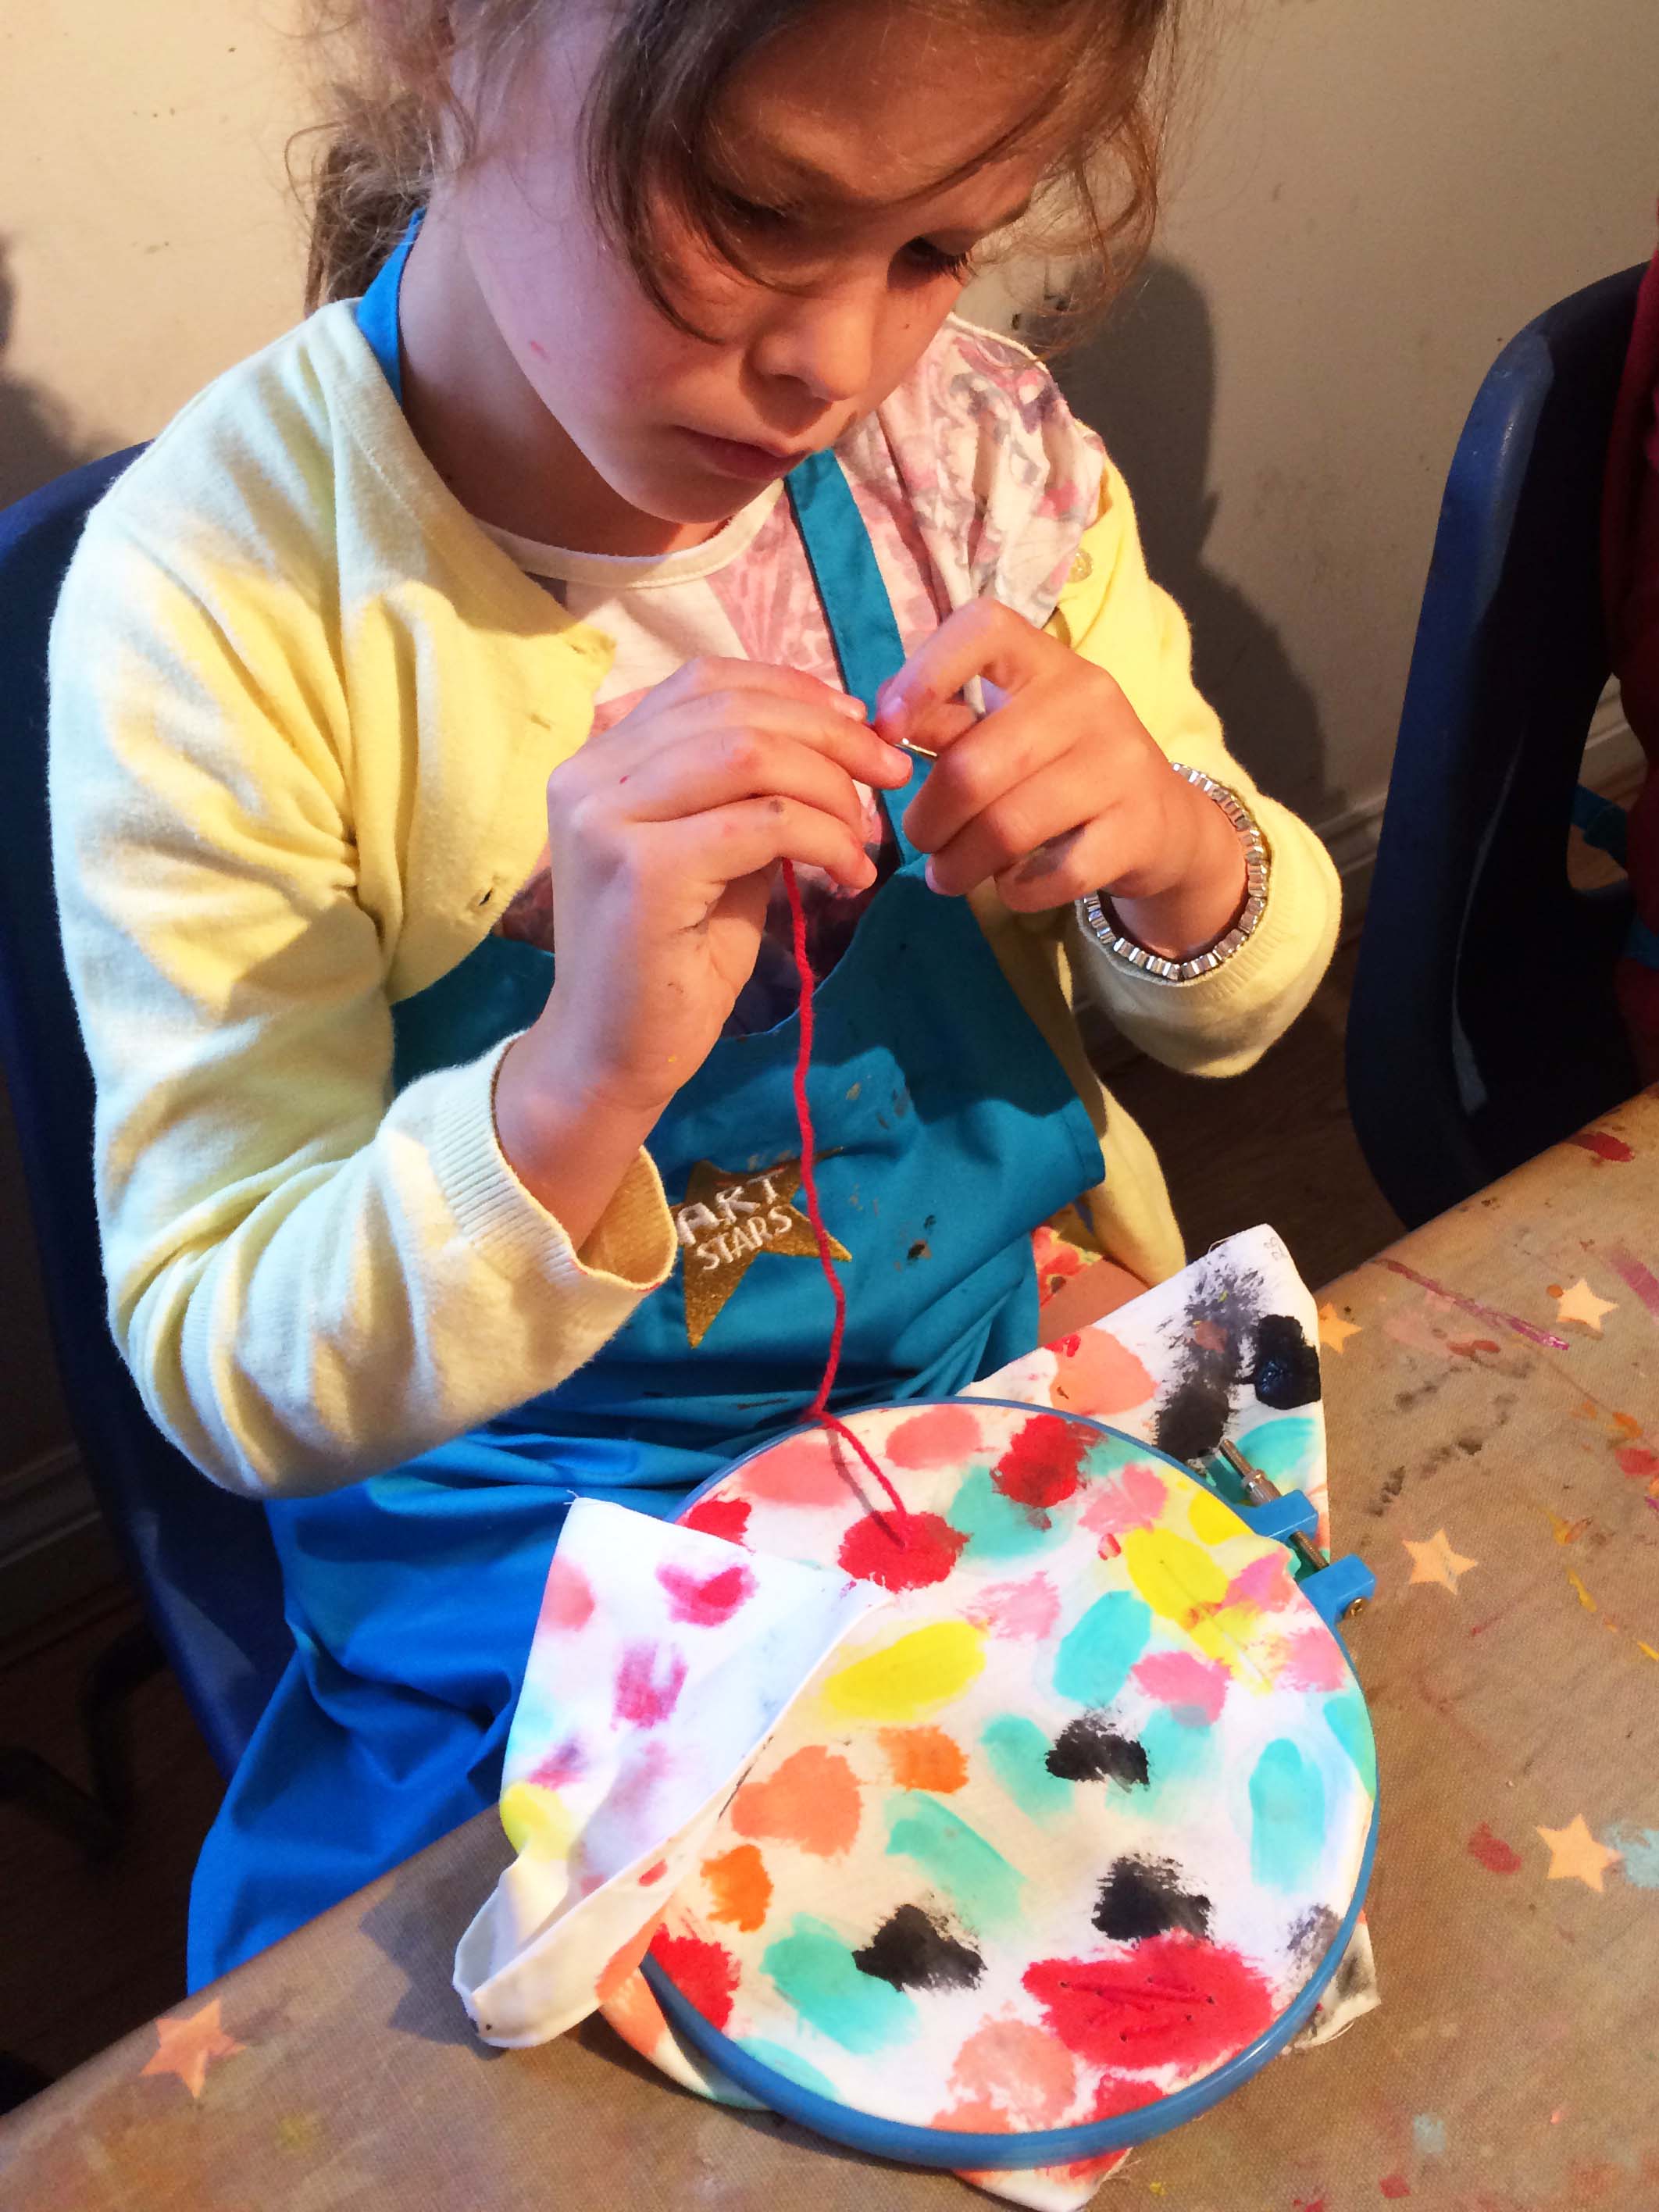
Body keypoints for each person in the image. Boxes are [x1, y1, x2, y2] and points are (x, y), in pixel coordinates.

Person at [48, 0, 1340, 1986]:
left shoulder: (970, 473)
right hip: (527, 1535)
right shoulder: (230, 613)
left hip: (980, 1381)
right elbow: (230, 1354)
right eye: (754, 215)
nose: (841, 364)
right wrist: (572, 1083)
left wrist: (1175, 853)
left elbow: (1228, 1002)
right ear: (442, 39)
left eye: (935, 248)